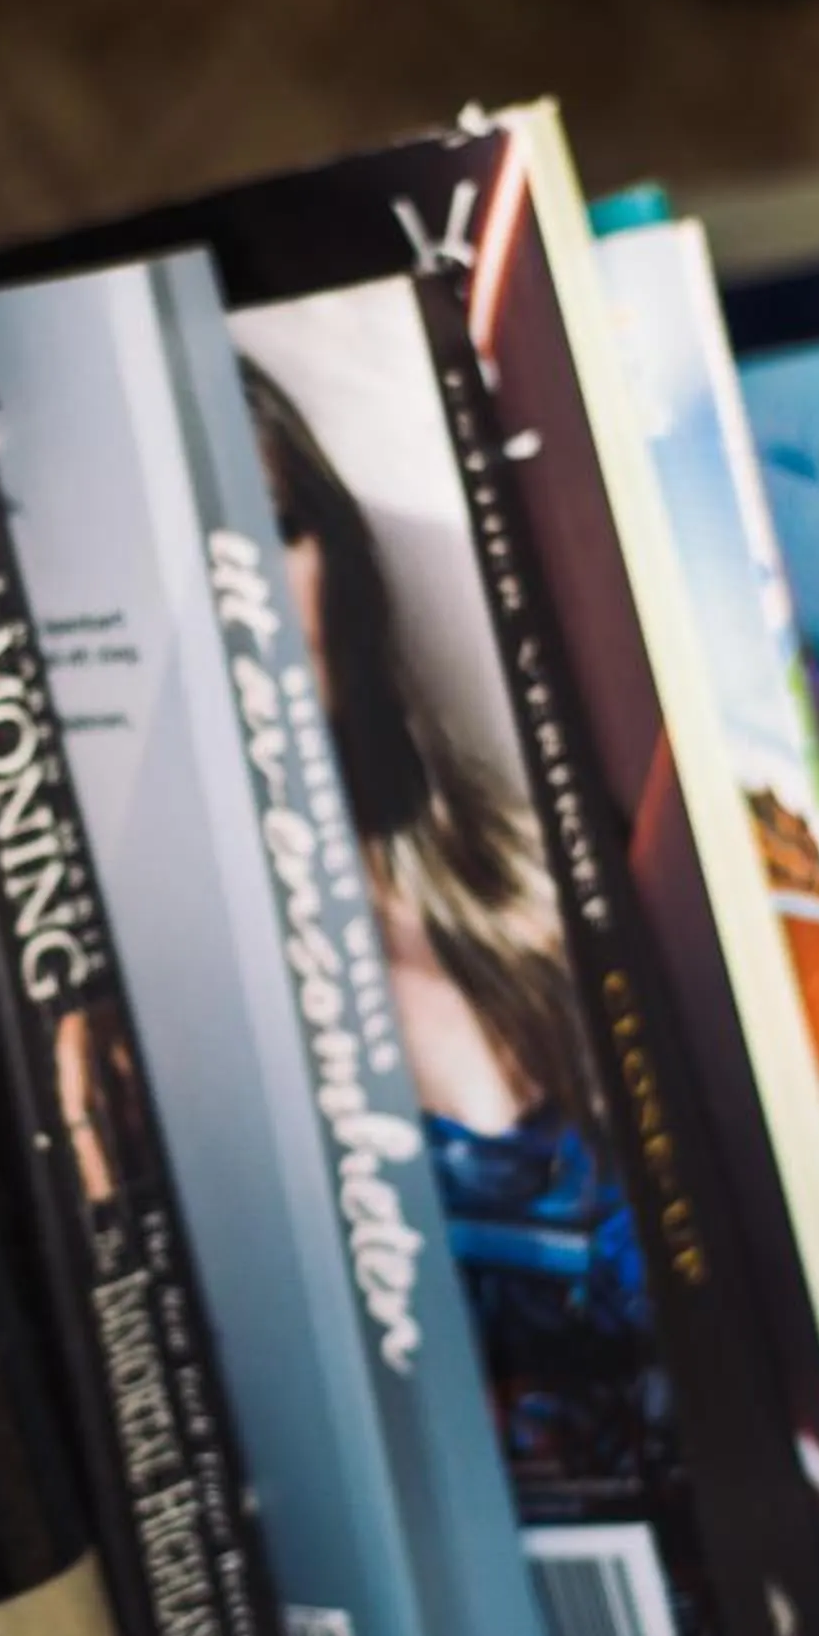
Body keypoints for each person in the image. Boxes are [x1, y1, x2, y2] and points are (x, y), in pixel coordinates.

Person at [241, 353, 653, 1477]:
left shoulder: (527, 867)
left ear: (337, 552)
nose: (255, 600)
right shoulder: (191, 1027)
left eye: (275, 525)